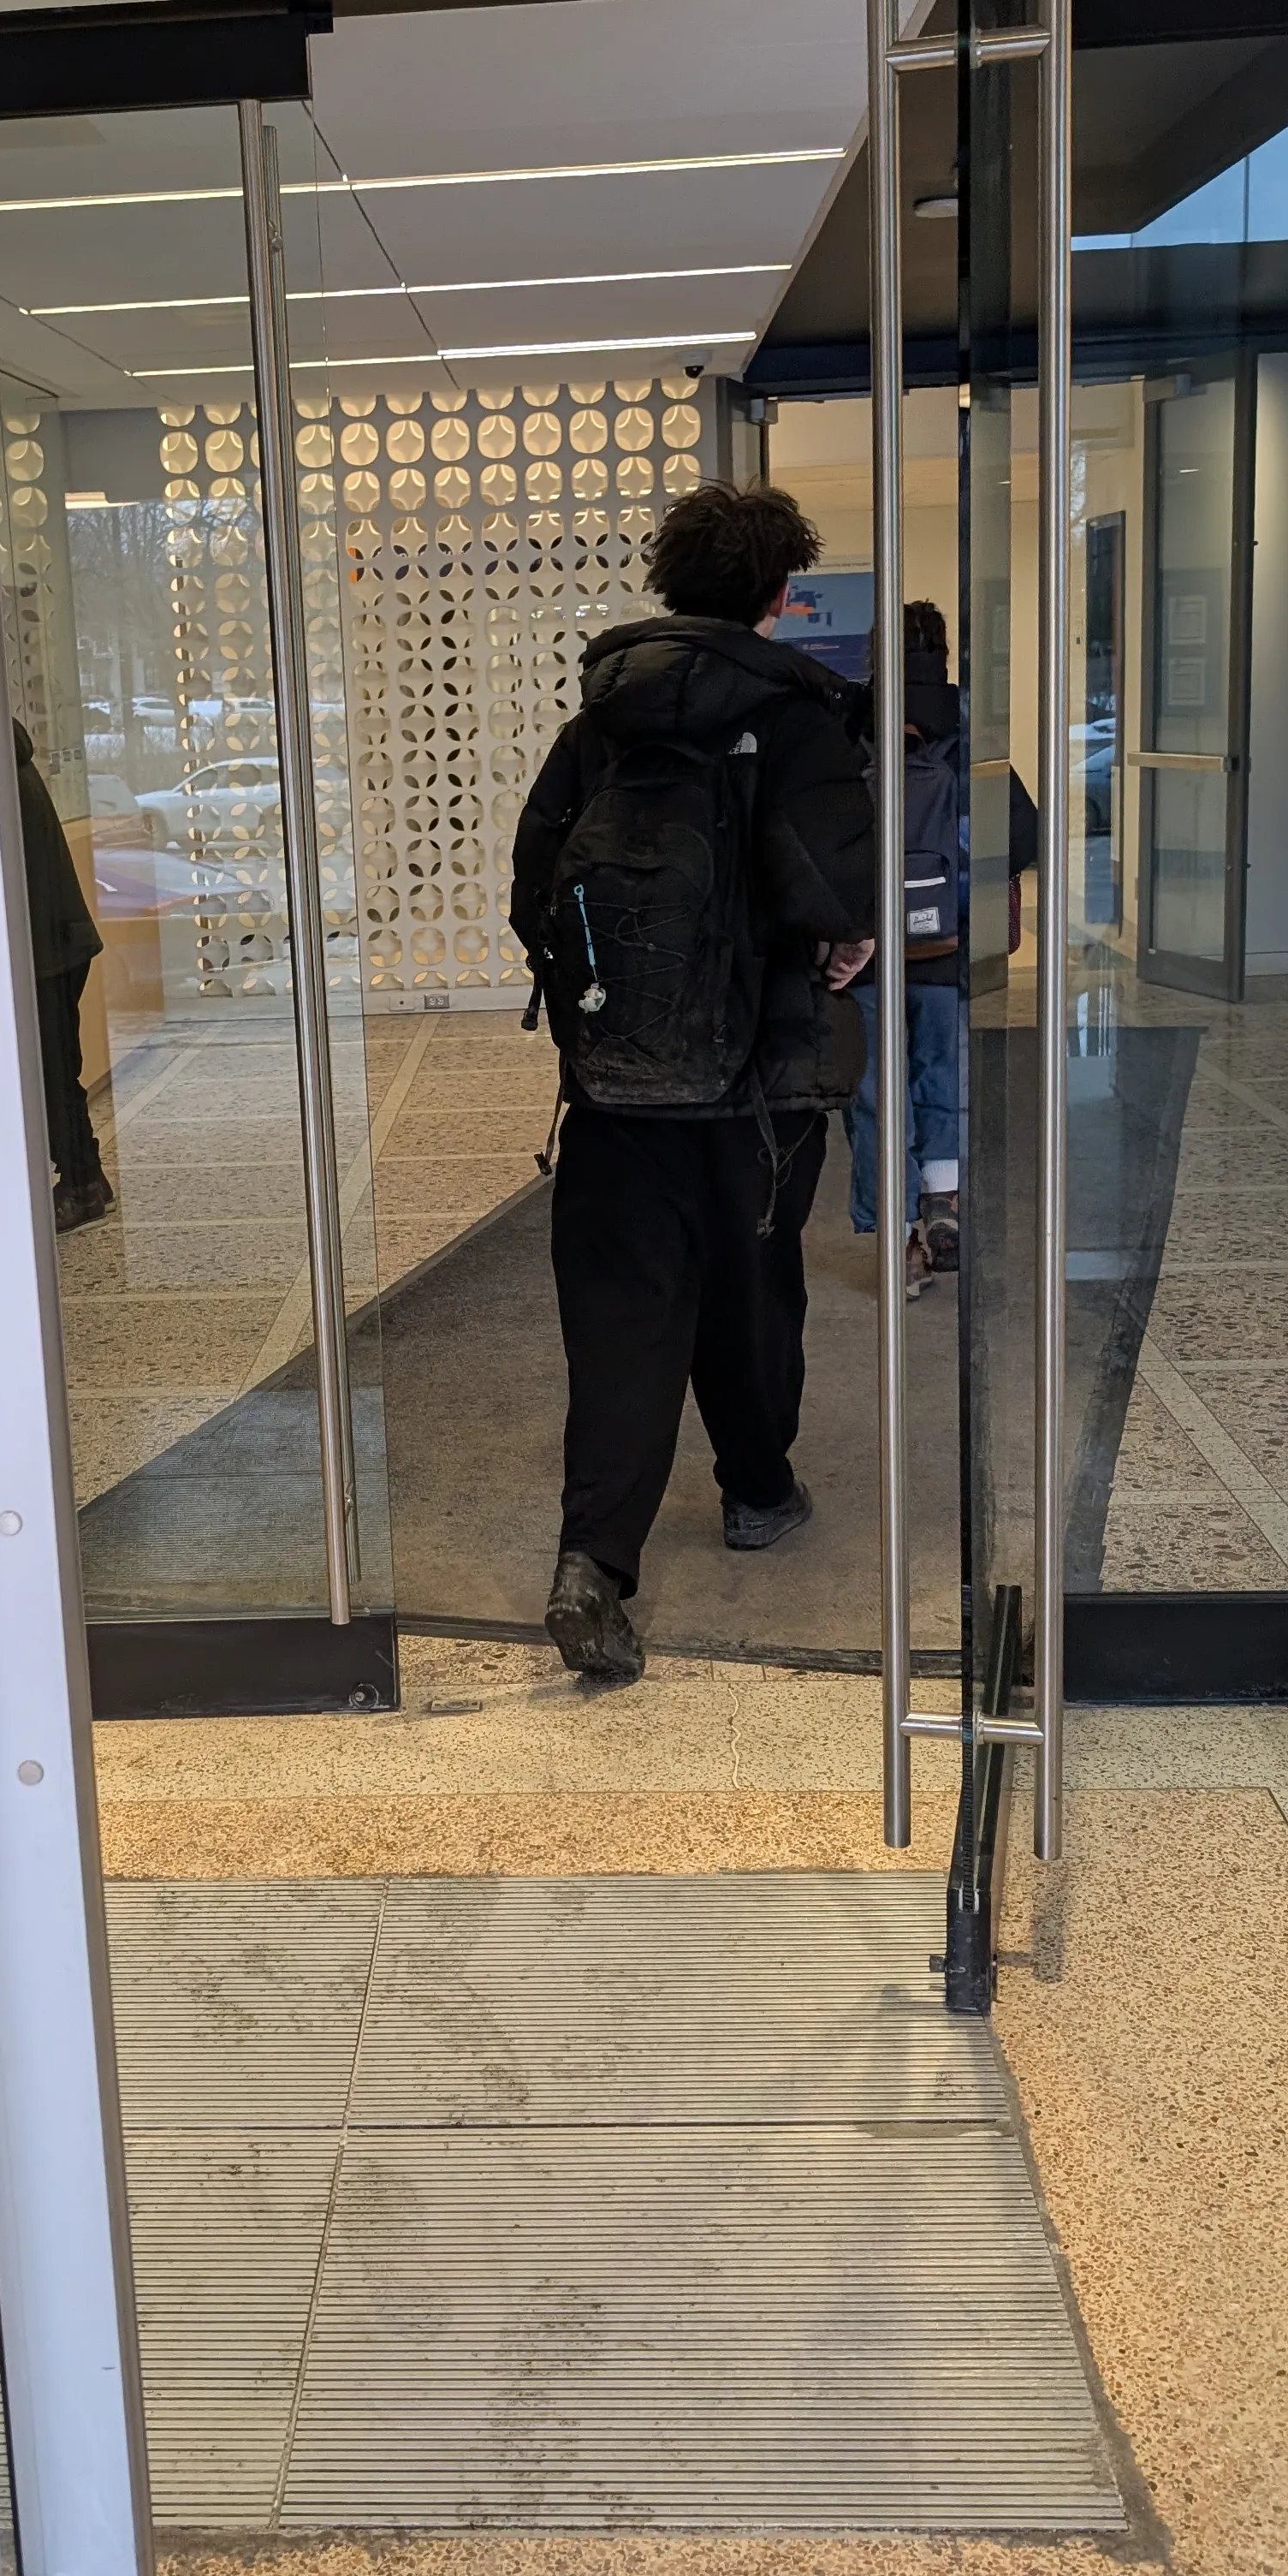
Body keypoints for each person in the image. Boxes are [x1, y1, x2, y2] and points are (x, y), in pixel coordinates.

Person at [511, 481, 875, 1686]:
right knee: (751, 1290)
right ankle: (757, 1490)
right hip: (756, 1090)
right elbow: (835, 898)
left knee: (620, 1317)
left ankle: (591, 1566)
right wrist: (839, 944)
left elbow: (532, 896)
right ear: (779, 595)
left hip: (613, 1087)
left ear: (669, 584)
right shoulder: (800, 720)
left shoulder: (597, 724)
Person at [844, 600, 1039, 1298]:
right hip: (948, 946)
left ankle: (899, 1248)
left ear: (873, 657)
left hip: (861, 955)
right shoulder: (969, 731)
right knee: (942, 1077)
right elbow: (1024, 836)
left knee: (873, 1097)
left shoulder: (845, 726)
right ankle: (946, 1205)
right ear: (945, 655)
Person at [12, 715, 112, 1232]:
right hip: (57, 942)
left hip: (44, 951)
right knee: (57, 1073)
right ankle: (87, 1176)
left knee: (51, 1076)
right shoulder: (13, 764)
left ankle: (80, 1187)